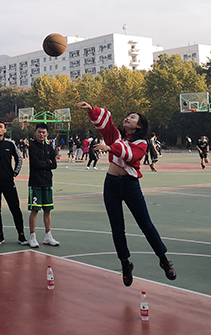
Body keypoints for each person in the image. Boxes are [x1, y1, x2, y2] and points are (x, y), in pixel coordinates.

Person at [78, 101, 176, 287]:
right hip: (111, 185)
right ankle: (125, 263)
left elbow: (131, 155)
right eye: (127, 116)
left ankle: (163, 259)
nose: (127, 118)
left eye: (132, 117)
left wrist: (110, 148)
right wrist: (92, 110)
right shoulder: (116, 136)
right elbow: (105, 125)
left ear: (139, 126)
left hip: (130, 185)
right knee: (117, 228)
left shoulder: (141, 143)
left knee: (146, 225)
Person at [0, 120, 28, 246]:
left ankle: (21, 235)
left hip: (8, 181)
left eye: (1, 127)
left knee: (15, 208)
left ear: (5, 130)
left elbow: (19, 158)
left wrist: (15, 172)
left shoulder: (10, 144)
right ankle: (0, 236)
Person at [27, 123, 60, 248]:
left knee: (47, 210)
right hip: (35, 183)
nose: (41, 134)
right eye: (39, 132)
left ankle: (48, 236)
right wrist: (48, 162)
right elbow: (36, 164)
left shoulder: (50, 148)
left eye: (43, 132)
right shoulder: (32, 147)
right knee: (35, 210)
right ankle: (32, 236)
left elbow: (54, 165)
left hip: (47, 182)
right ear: (36, 133)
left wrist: (46, 163)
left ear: (47, 134)